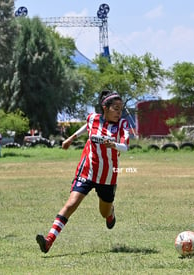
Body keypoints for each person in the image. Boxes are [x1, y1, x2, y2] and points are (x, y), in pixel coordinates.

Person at [36, 90, 130, 254]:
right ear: (105, 108)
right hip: (87, 170)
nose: (119, 112)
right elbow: (86, 126)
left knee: (104, 212)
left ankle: (111, 213)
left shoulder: (122, 125)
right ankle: (48, 241)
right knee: (71, 204)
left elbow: (126, 147)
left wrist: (114, 145)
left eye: (121, 109)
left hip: (107, 176)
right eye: (116, 108)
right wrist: (71, 138)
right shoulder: (93, 118)